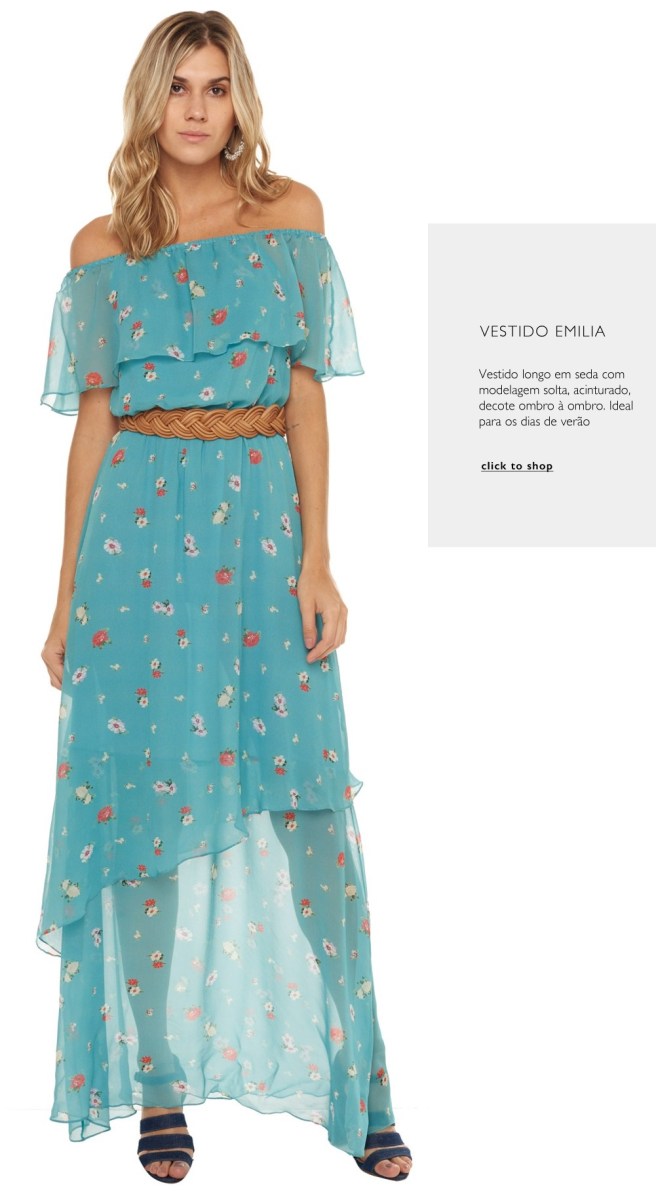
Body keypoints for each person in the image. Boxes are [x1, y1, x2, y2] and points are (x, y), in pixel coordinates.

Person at [38, 9, 413, 1184]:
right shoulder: (101, 243)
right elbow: (93, 422)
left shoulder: (289, 216)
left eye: (215, 87)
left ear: (239, 100)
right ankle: (157, 1088)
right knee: (146, 822)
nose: (197, 108)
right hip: (136, 548)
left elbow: (305, 394)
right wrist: (63, 597)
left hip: (260, 537)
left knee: (311, 816)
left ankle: (361, 1083)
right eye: (178, 87)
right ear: (148, 101)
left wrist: (319, 560)